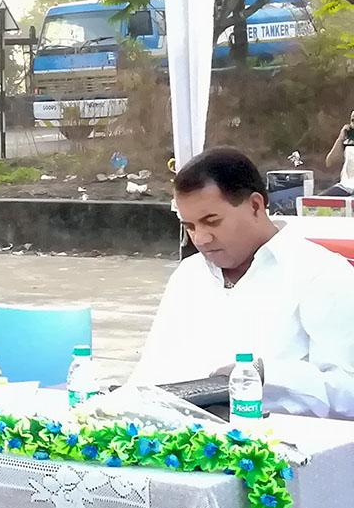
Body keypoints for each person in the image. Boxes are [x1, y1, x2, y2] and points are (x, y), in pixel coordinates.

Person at [131, 148, 354, 418]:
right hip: (175, 443)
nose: (200, 238)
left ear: (255, 206)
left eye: (211, 221)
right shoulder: (188, 275)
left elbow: (348, 393)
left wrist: (262, 375)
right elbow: (149, 375)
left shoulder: (322, 274)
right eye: (189, 226)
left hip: (280, 450)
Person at [322, 110, 354, 196]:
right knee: (316, 203)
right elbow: (330, 163)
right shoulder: (348, 142)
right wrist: (340, 139)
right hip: (345, 186)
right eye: (352, 120)